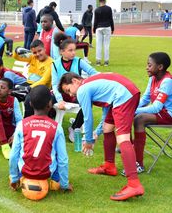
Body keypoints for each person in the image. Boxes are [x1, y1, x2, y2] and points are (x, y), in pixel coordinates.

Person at [58, 72, 144, 201]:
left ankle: (134, 184)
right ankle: (109, 166)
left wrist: (88, 140)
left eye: (68, 90)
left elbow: (87, 118)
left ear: (75, 81)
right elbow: (105, 114)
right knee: (107, 128)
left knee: (123, 138)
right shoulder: (92, 85)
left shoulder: (82, 89)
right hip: (126, 92)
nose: (71, 95)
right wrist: (96, 133)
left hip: (124, 95)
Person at [9, 85, 73, 200]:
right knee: (58, 155)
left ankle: (19, 177)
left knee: (20, 154)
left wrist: (14, 179)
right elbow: (63, 160)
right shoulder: (56, 127)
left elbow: (13, 156)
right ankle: (56, 180)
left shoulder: (21, 125)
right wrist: (65, 184)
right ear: (50, 104)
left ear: (30, 104)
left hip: (26, 171)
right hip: (47, 173)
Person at [131, 52, 172, 174]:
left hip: (168, 114)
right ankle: (127, 148)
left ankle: (138, 163)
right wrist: (131, 108)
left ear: (160, 67)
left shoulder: (167, 81)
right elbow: (145, 99)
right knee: (129, 114)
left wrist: (134, 110)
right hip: (160, 112)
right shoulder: (153, 78)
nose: (146, 68)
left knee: (139, 119)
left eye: (149, 65)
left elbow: (156, 108)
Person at [52, 33, 98, 142]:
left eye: (74, 50)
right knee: (46, 99)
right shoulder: (55, 64)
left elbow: (94, 73)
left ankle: (75, 128)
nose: (73, 53)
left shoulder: (79, 61)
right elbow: (54, 84)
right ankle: (50, 126)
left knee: (88, 101)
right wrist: (60, 100)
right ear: (62, 51)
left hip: (76, 94)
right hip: (61, 94)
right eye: (70, 50)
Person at [13, 39, 53, 117]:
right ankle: (11, 120)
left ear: (44, 49)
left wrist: (28, 88)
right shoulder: (32, 57)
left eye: (39, 51)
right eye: (34, 52)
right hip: (29, 84)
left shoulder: (51, 63)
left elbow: (44, 81)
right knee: (10, 94)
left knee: (29, 100)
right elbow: (16, 57)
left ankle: (27, 123)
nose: (37, 54)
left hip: (42, 88)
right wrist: (17, 49)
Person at [93, 0, 114, 66]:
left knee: (98, 45)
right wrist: (113, 28)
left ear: (99, 1)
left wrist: (94, 29)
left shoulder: (96, 10)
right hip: (107, 27)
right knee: (106, 45)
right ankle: (106, 61)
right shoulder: (109, 9)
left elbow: (95, 20)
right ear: (105, 0)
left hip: (99, 28)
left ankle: (98, 61)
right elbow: (111, 19)